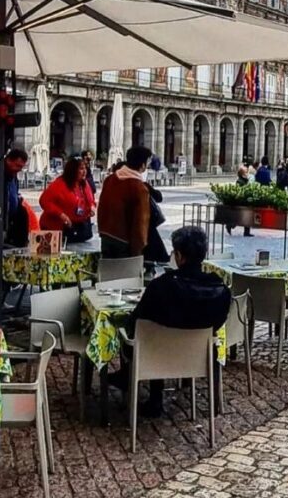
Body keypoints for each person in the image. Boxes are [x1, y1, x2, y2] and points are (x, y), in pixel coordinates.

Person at [111, 225, 230, 417]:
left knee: (149, 335)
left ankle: (141, 390)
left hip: (154, 355)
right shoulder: (219, 289)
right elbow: (218, 323)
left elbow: (136, 321)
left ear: (180, 256)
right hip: (198, 355)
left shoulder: (161, 287)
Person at [97, 145, 151, 257]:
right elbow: (141, 221)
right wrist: (138, 250)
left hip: (106, 235)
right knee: (125, 274)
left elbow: (101, 208)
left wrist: (102, 231)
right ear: (143, 165)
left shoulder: (110, 179)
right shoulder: (139, 188)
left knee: (108, 272)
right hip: (125, 241)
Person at [39, 156, 96, 243]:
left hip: (79, 228)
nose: (84, 172)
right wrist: (61, 214)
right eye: (81, 169)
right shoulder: (59, 184)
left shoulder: (84, 184)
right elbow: (44, 201)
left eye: (85, 168)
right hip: (58, 228)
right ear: (73, 170)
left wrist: (91, 207)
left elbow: (90, 199)